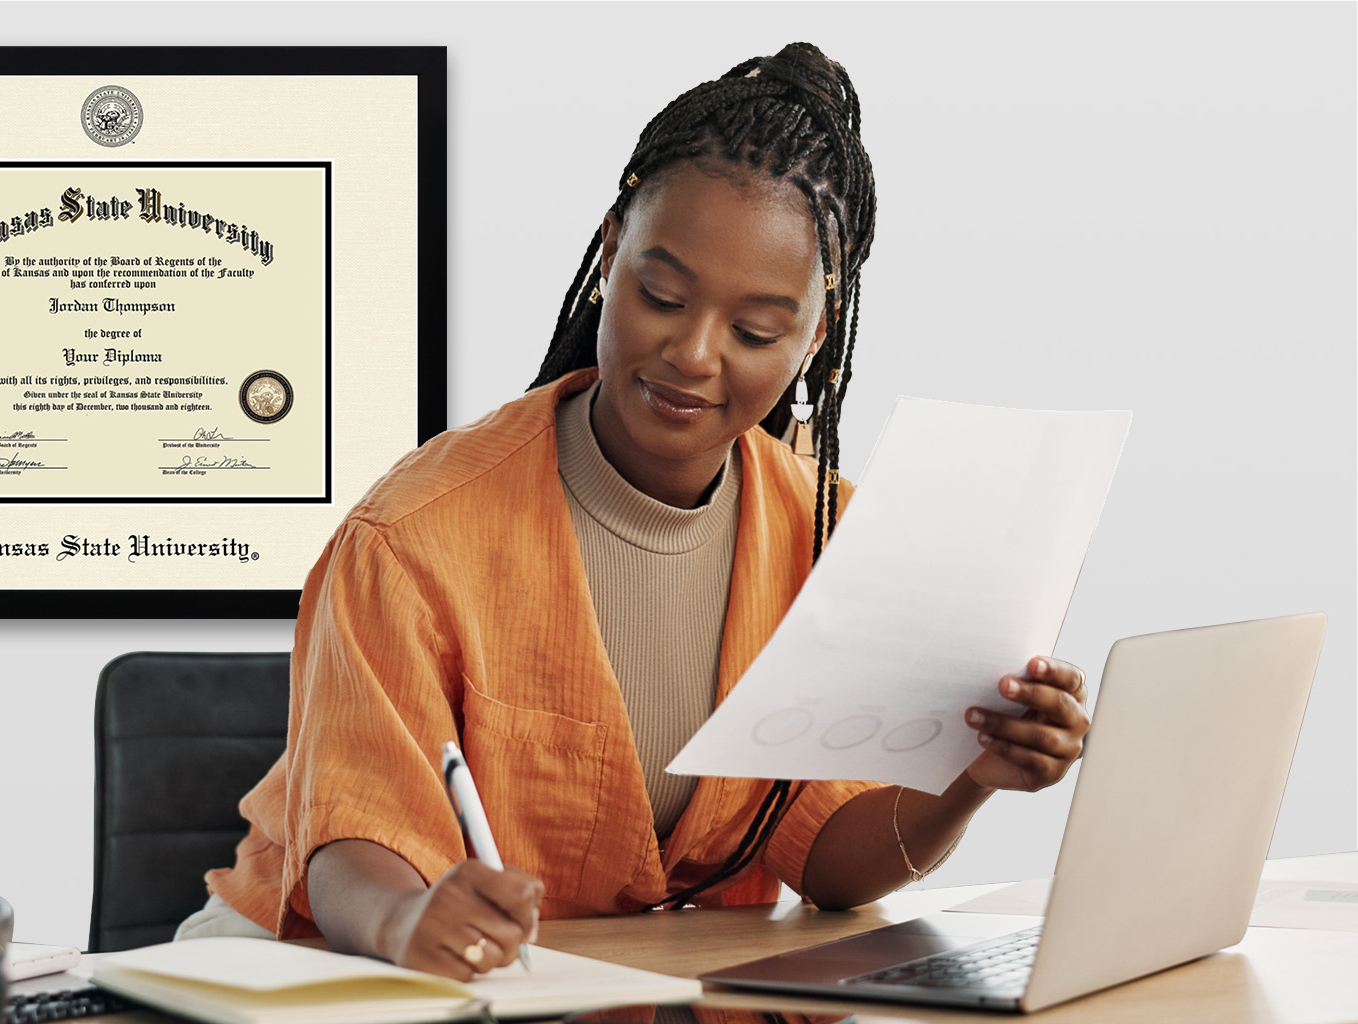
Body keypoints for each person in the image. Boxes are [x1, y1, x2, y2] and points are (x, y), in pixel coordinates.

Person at [177, 42, 1092, 981]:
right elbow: (348, 852)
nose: (694, 354)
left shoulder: (833, 544)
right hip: (323, 969)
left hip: (611, 981)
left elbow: (828, 865)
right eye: (662, 296)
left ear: (816, 336)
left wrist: (971, 779)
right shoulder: (412, 538)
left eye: (755, 330)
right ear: (611, 254)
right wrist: (413, 917)